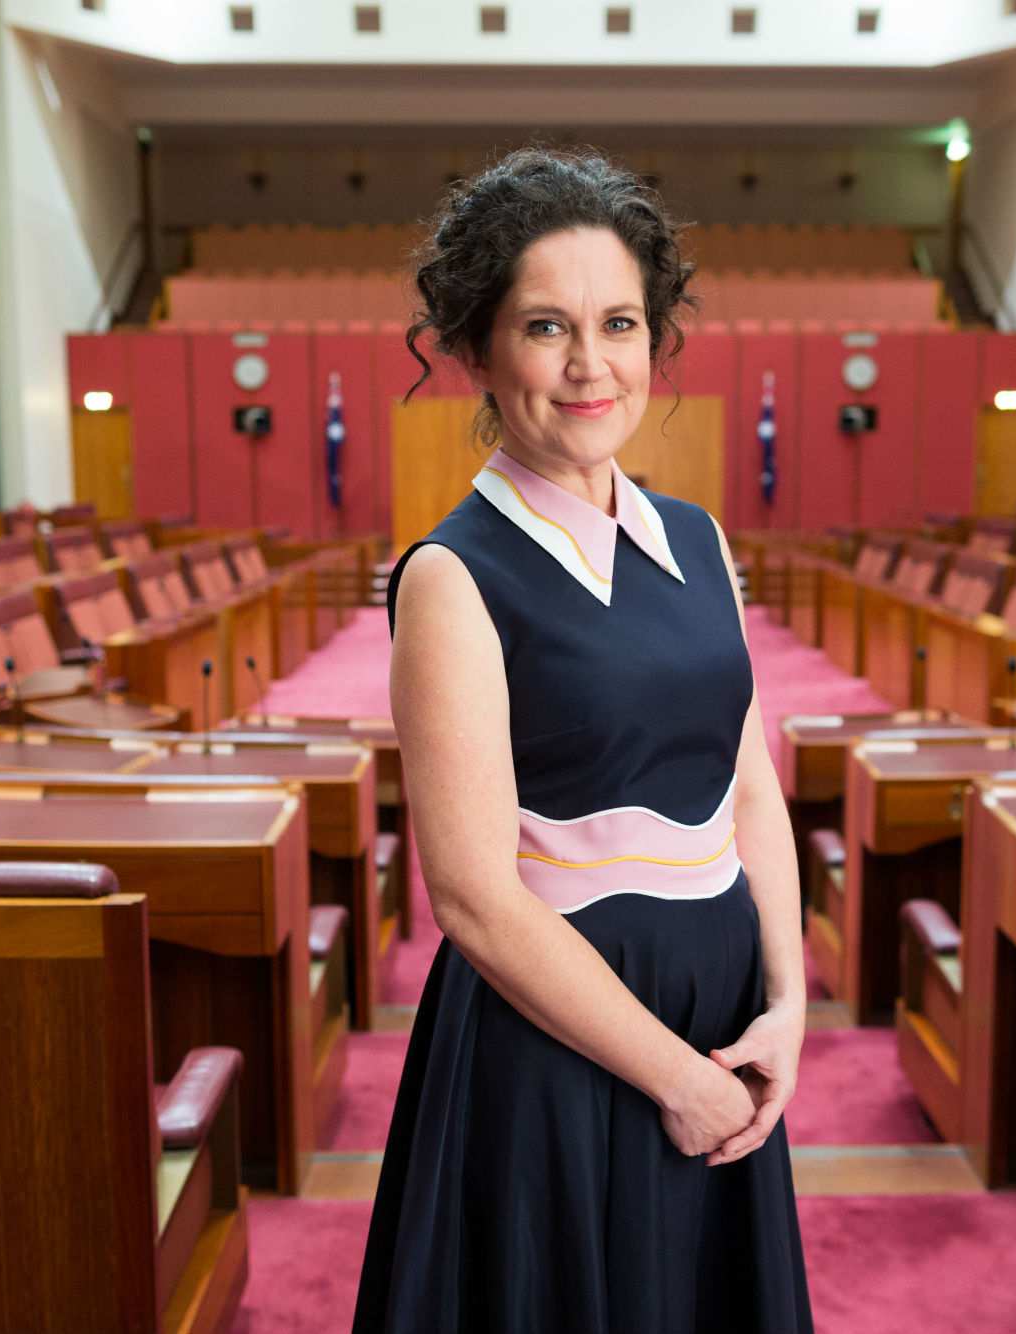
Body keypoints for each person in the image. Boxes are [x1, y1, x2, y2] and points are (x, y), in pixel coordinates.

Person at [353, 148, 814, 1334]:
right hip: (560, 1036)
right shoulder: (453, 574)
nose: (588, 364)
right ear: (476, 349)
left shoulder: (698, 538)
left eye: (618, 323)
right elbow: (471, 897)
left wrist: (785, 1001)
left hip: (720, 1007)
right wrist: (676, 1077)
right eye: (544, 326)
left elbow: (748, 787)